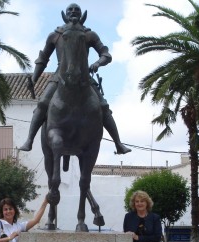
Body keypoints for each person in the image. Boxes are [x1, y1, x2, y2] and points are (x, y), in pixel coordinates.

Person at [19, 3, 131, 155]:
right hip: (59, 76)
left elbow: (105, 54)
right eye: (70, 10)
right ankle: (29, 140)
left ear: (81, 14)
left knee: (103, 107)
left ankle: (118, 143)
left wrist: (97, 63)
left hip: (84, 76)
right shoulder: (55, 35)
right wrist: (34, 79)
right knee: (43, 103)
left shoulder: (89, 34)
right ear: (65, 14)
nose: (73, 12)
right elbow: (43, 59)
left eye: (76, 10)